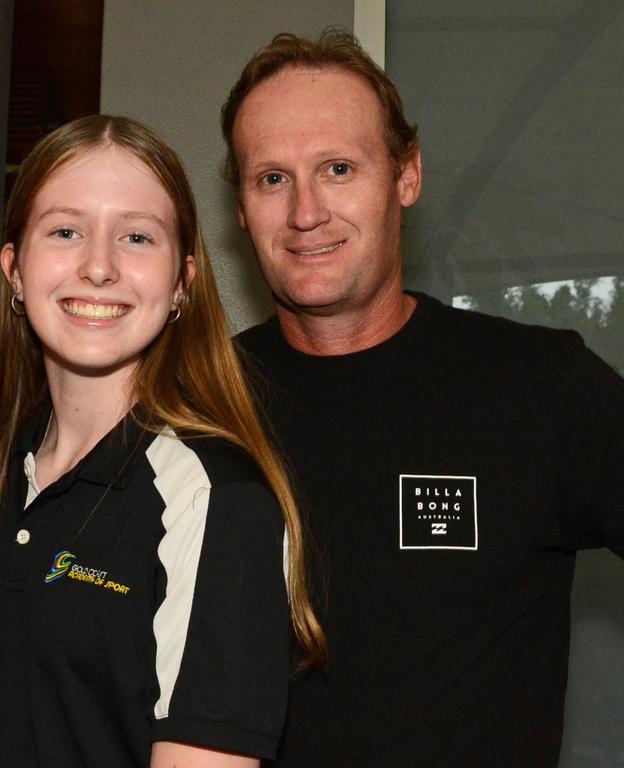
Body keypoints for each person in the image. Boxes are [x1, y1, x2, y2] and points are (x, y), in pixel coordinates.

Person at [223, 29, 624, 767]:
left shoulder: (540, 386)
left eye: (338, 168)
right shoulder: (198, 407)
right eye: (272, 179)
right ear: (241, 207)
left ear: (407, 176)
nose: (305, 211)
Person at [0, 115, 326, 767]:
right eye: (65, 231)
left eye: (137, 237)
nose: (98, 266)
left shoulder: (215, 500)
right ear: (13, 268)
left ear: (182, 281)